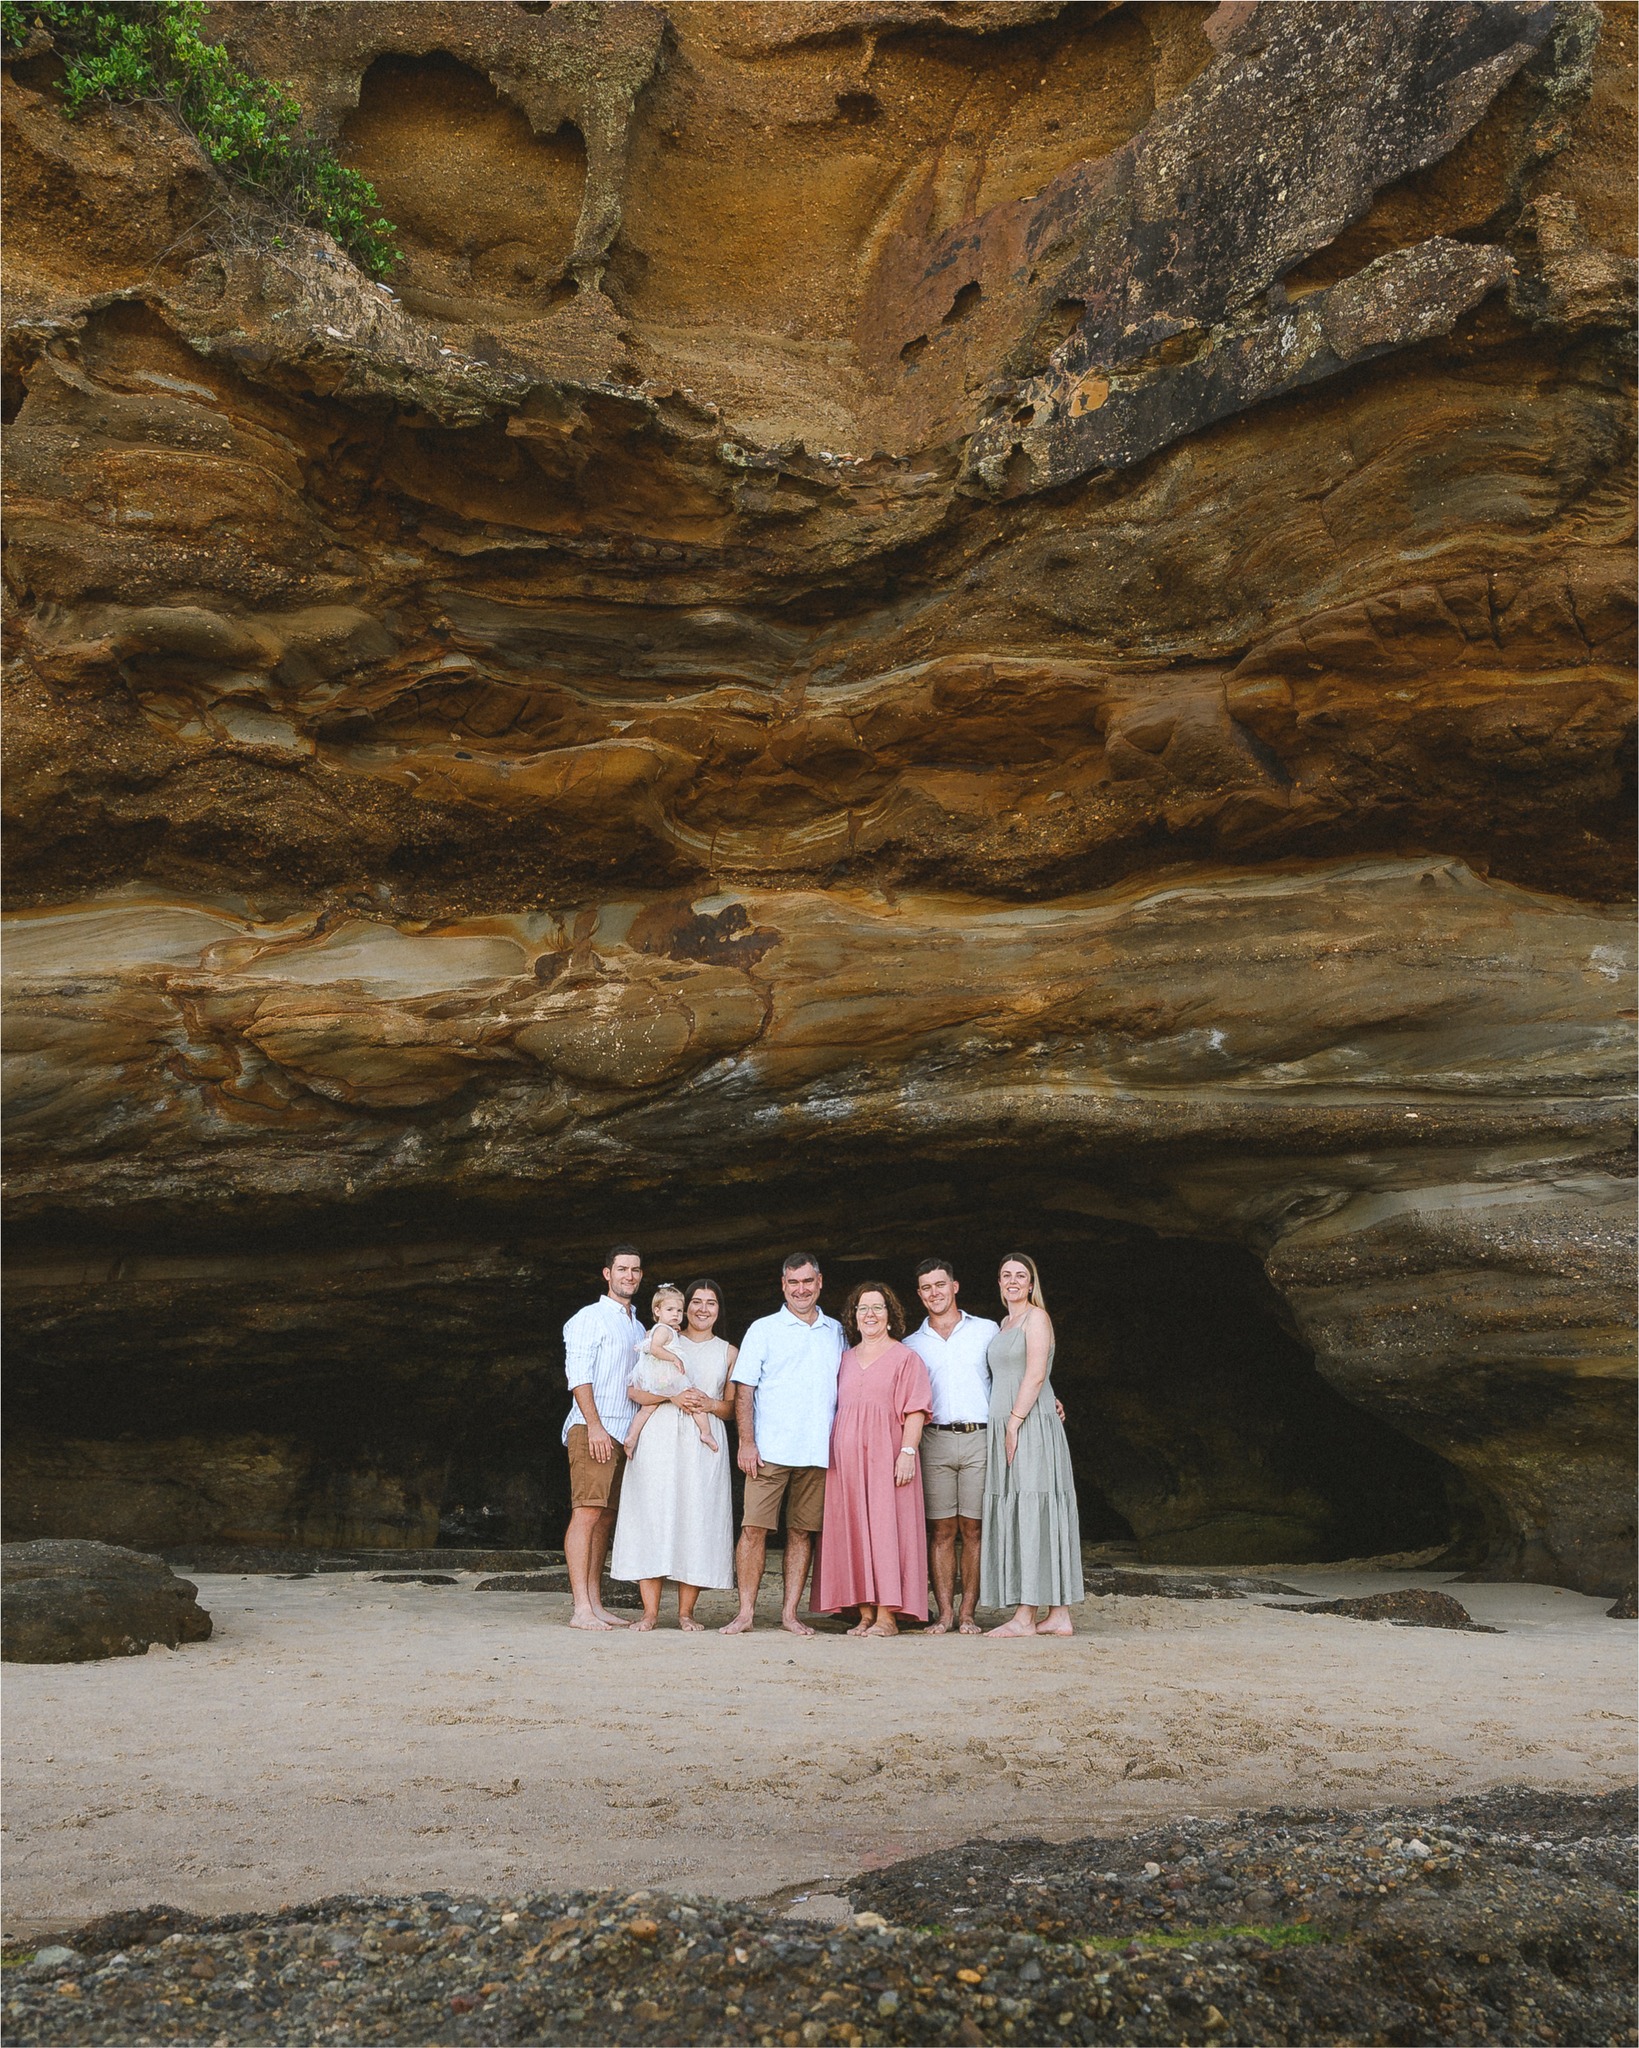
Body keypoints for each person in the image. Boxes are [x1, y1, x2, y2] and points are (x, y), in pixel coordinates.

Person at [721, 1252, 844, 1637]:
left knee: (802, 1532)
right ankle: (745, 1613)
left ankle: (790, 1614)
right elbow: (744, 1390)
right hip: (768, 1450)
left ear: (820, 1282)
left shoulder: (837, 1331)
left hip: (818, 1451)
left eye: (808, 1281)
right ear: (783, 1285)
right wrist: (746, 1442)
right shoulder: (763, 1328)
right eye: (793, 1283)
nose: (801, 1289)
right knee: (754, 1529)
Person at [610, 1278, 738, 1629]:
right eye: (696, 1301)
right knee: (651, 1515)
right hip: (660, 1435)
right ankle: (650, 1612)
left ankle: (685, 1612)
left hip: (701, 1442)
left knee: (697, 1520)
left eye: (711, 1303)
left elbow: (731, 1409)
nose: (701, 1309)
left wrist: (708, 1403)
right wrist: (671, 1397)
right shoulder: (663, 1338)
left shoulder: (728, 1352)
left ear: (718, 1309)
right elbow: (635, 1392)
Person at [814, 1282, 933, 1637]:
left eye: (877, 1308)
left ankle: (887, 1616)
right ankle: (864, 1612)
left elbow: (915, 1409)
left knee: (886, 1530)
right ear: (853, 1316)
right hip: (846, 1461)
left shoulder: (905, 1357)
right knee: (852, 1529)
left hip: (888, 1454)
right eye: (862, 1308)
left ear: (890, 1314)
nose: (869, 1314)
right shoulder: (845, 1359)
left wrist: (907, 1453)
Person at [981, 1252, 1084, 1636]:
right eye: (1005, 1274)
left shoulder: (1036, 1318)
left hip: (1027, 1426)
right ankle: (1058, 1615)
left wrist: (1015, 1423)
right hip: (1014, 1421)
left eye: (1020, 1275)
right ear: (999, 1282)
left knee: (1034, 1509)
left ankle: (1026, 1616)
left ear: (1031, 1283)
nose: (1012, 1281)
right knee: (1027, 1511)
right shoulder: (1004, 1323)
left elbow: (1038, 1373)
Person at [904, 1257, 999, 1636]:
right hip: (935, 1439)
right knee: (942, 1530)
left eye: (940, 1285)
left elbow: (1015, 1371)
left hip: (980, 1436)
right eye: (926, 1288)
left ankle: (967, 1614)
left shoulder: (987, 1330)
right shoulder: (912, 1344)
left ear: (955, 1286)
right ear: (919, 1295)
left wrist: (1049, 1400)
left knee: (973, 1529)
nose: (934, 1293)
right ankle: (944, 1613)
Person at [561, 1245, 645, 1631]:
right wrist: (595, 1426)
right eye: (622, 1269)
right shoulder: (588, 1318)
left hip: (623, 1434)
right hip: (592, 1428)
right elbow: (578, 1376)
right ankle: (581, 1608)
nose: (629, 1276)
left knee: (606, 1518)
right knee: (587, 1512)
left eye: (635, 1270)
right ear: (607, 1274)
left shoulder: (639, 1326)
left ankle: (596, 1603)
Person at [625, 1285, 718, 1459]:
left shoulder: (661, 1329)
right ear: (657, 1310)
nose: (675, 1314)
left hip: (655, 1377)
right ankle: (706, 1432)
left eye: (679, 1310)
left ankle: (632, 1436)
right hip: (665, 1375)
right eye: (670, 1310)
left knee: (647, 1408)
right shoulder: (662, 1330)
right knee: (692, 1399)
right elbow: (655, 1348)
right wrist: (674, 1358)